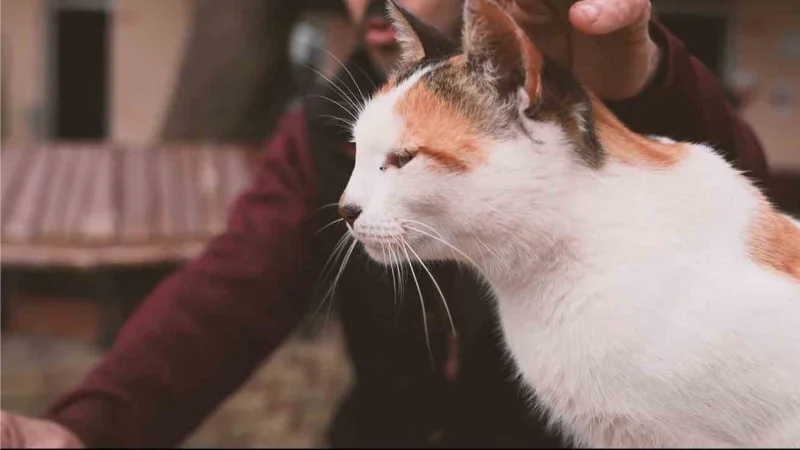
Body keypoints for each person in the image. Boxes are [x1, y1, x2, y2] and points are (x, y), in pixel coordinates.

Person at [0, 0, 772, 447]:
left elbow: (746, 230)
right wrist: (85, 431)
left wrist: (641, 82)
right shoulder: (333, 117)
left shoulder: (552, 95)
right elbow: (228, 291)